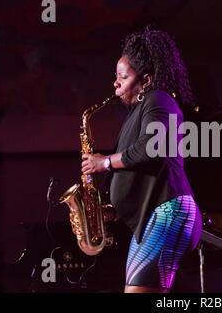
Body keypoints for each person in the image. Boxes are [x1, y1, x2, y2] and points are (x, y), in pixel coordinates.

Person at [81, 28, 202, 293]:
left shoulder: (158, 99)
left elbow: (152, 148)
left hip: (168, 213)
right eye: (116, 77)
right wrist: (116, 208)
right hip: (154, 217)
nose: (116, 84)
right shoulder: (141, 110)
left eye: (123, 77)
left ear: (145, 80)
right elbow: (143, 171)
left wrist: (105, 163)